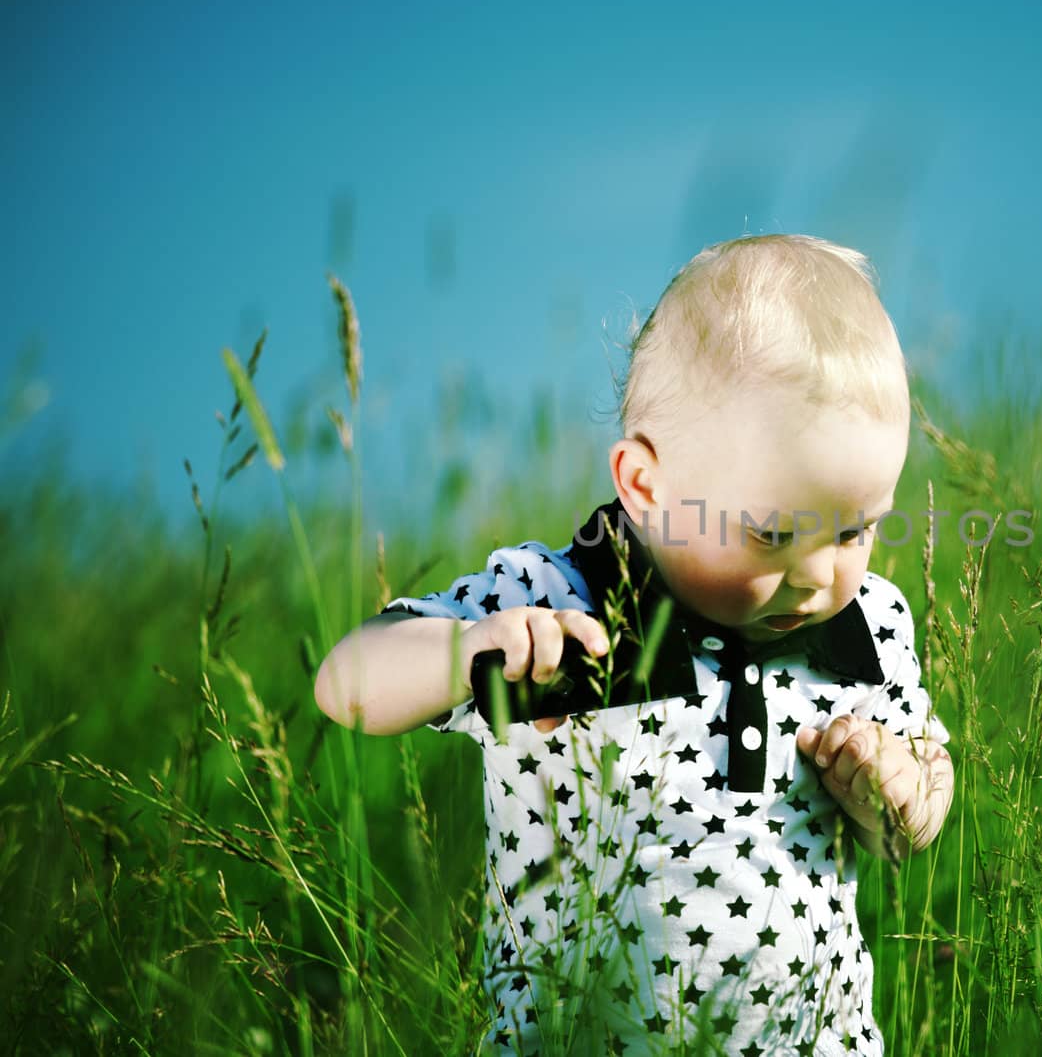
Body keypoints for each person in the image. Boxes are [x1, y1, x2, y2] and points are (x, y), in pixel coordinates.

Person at [315, 234, 955, 1055]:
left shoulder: (869, 623)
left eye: (856, 527)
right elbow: (346, 681)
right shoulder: (559, 601)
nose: (817, 573)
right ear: (646, 486)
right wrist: (464, 652)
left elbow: (921, 794)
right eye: (771, 532)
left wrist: (899, 794)